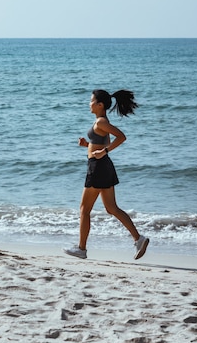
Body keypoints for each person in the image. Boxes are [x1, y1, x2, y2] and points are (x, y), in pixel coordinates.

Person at [63, 89, 149, 260]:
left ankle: (81, 249)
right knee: (111, 208)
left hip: (98, 168)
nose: (89, 104)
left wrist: (103, 151)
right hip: (103, 166)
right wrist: (87, 145)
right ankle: (139, 239)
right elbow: (105, 141)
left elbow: (121, 137)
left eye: (91, 101)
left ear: (99, 105)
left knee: (84, 209)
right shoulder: (101, 122)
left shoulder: (101, 122)